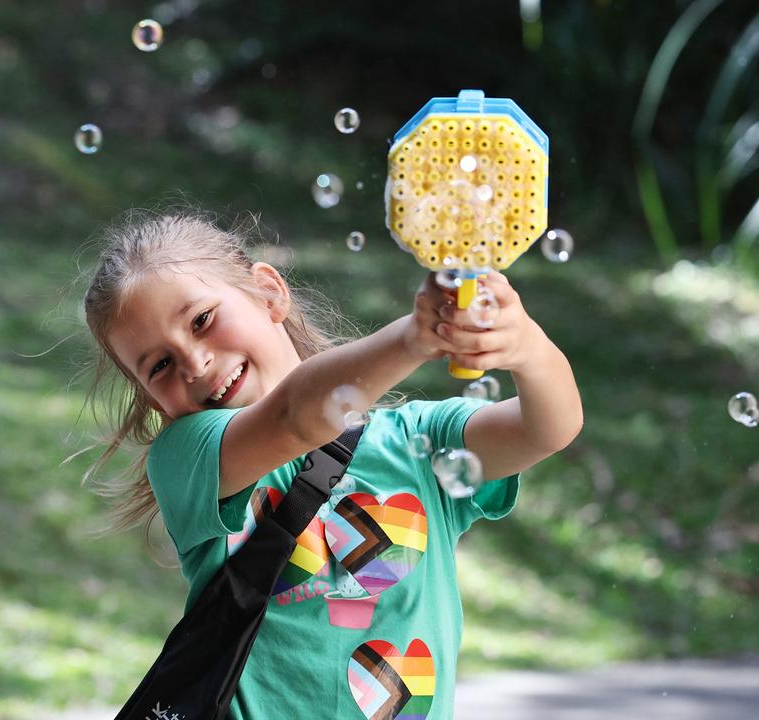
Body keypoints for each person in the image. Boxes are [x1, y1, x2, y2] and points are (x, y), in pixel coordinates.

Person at [78, 208, 582, 718]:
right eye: (159, 365)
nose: (194, 362)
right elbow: (295, 418)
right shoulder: (188, 459)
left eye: (202, 320)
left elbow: (547, 429)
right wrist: (414, 338)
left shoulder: (417, 440)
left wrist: (527, 349)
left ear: (270, 293)